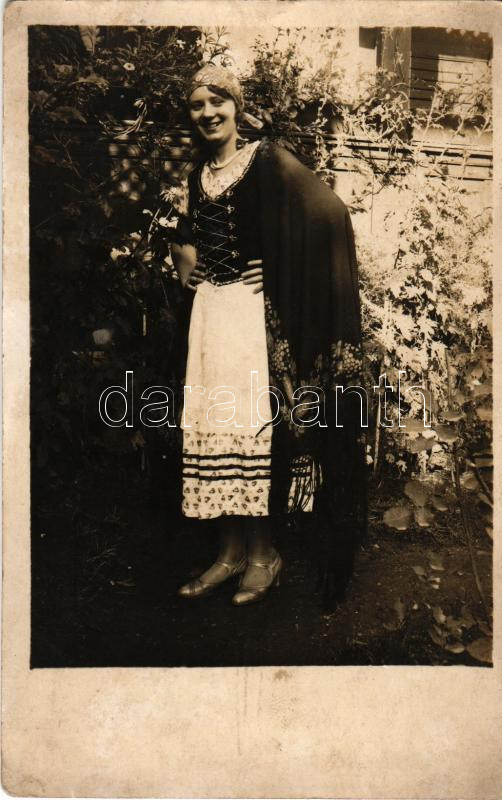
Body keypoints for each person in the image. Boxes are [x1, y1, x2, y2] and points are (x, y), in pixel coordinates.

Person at [162, 64, 365, 609]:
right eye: (198, 105)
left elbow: (328, 213)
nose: (208, 113)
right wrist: (185, 263)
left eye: (217, 102)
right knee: (216, 429)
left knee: (250, 430)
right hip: (210, 316)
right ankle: (228, 554)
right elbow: (185, 237)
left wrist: (275, 267)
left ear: (236, 106)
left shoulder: (267, 159)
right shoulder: (197, 176)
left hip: (251, 319)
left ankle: (262, 555)